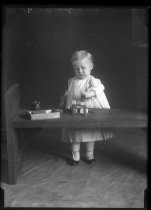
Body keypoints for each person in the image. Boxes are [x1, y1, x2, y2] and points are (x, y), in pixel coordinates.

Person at [60, 50, 113, 166]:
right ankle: (75, 157)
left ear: (91, 66)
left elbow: (99, 88)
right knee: (75, 135)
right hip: (75, 112)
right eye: (76, 68)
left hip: (88, 113)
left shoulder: (92, 81)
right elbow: (69, 92)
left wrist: (90, 93)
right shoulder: (71, 81)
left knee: (89, 134)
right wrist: (64, 97)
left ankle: (90, 155)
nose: (79, 71)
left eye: (83, 68)